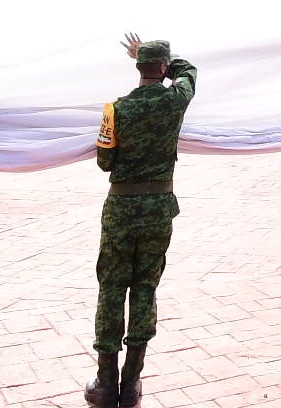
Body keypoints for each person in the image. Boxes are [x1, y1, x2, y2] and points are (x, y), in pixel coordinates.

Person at [90, 34, 197, 408]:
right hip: (157, 207)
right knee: (145, 288)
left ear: (138, 67)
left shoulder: (115, 109)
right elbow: (189, 73)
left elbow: (105, 161)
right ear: (163, 67)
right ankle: (132, 383)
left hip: (120, 207)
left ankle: (104, 384)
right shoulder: (175, 100)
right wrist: (166, 62)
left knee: (111, 288)